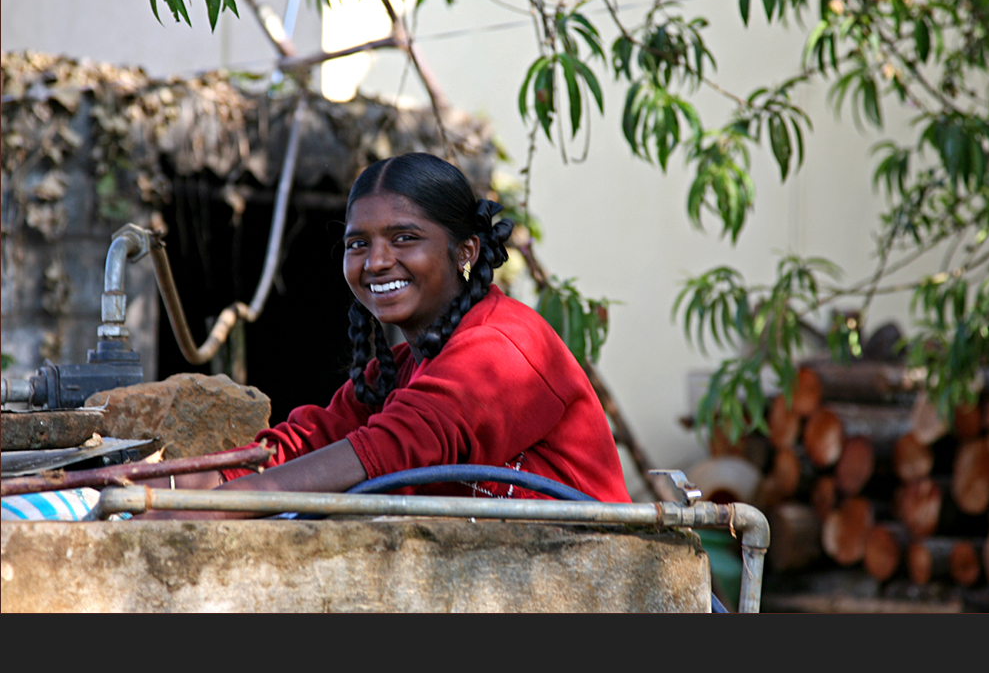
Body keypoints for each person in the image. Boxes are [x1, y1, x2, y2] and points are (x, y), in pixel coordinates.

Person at [137, 152, 631, 518]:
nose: (376, 261)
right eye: (359, 243)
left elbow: (390, 450)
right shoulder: (402, 369)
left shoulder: (503, 346)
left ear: (466, 252)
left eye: (404, 238)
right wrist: (157, 487)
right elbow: (303, 445)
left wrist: (206, 509)